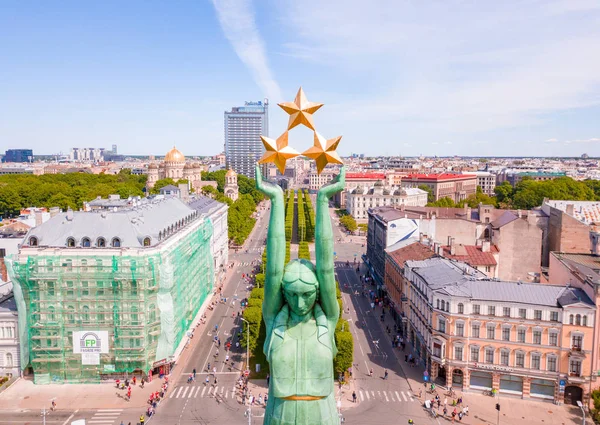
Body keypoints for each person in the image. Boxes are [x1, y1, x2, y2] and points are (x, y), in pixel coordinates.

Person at [256, 165, 345, 425]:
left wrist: (324, 198)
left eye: (306, 294)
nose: (299, 303)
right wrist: (276, 198)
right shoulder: (273, 318)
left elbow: (326, 266)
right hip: (279, 416)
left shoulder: (327, 319)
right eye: (292, 295)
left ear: (317, 291)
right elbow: (273, 270)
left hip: (322, 415)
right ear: (283, 293)